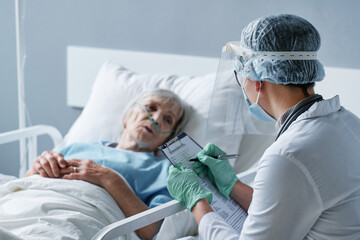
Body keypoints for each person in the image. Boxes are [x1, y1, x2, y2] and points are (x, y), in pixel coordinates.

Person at [167, 14, 360, 239]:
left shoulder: (288, 154)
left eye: (241, 76)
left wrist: (197, 202)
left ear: (258, 79)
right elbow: (286, 209)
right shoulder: (348, 123)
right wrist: (232, 185)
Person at [24, 89, 189, 240]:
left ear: (167, 138)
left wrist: (108, 178)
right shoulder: (76, 146)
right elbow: (28, 186)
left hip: (78, 219)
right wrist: (37, 168)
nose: (157, 119)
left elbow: (153, 231)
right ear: (128, 116)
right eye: (151, 107)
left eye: (168, 120)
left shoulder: (164, 171)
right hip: (30, 205)